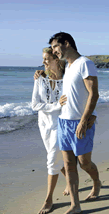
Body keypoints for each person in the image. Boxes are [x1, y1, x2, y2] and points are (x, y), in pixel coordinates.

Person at [49, 32, 101, 214]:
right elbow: (52, 71)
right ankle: (75, 204)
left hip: (81, 123)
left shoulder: (85, 63)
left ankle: (96, 182)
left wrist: (84, 120)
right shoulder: (68, 66)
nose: (54, 51)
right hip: (63, 122)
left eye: (56, 46)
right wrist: (41, 73)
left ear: (67, 43)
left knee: (84, 163)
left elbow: (94, 94)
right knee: (69, 165)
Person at [32, 47, 68, 214]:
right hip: (44, 124)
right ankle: (70, 180)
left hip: (61, 123)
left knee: (52, 158)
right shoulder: (40, 78)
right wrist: (55, 105)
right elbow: (35, 105)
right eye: (43, 59)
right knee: (54, 157)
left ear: (56, 59)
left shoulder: (67, 78)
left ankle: (49, 199)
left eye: (47, 59)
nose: (43, 62)